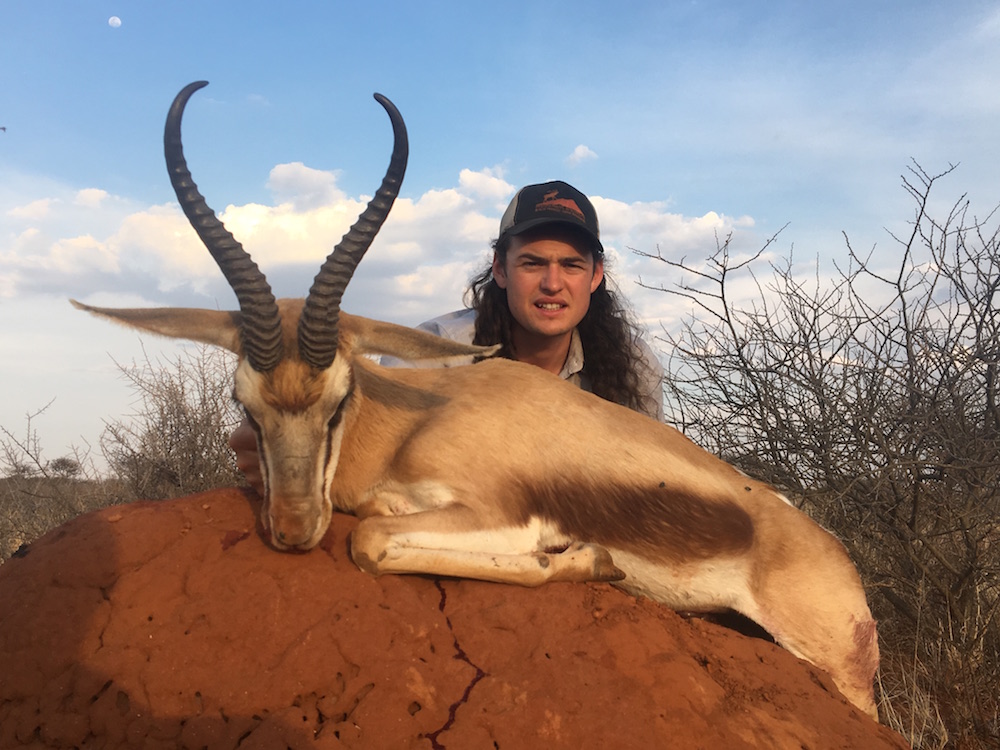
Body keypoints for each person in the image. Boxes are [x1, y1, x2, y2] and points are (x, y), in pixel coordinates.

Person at [230, 180, 663, 494]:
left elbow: (648, 481)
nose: (553, 283)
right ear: (499, 269)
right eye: (532, 263)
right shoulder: (436, 349)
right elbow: (378, 462)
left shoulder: (632, 367)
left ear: (595, 276)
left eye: (571, 265)